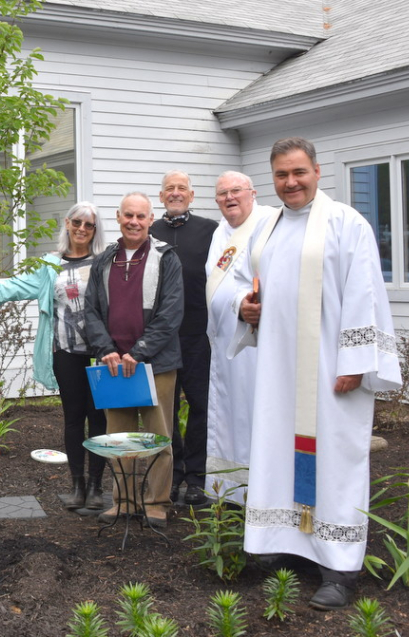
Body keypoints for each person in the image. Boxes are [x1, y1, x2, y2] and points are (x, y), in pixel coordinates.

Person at [237, 137, 401, 610]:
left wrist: (355, 361)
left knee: (334, 459)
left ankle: (339, 568)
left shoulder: (346, 223)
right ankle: (289, 546)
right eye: (282, 175)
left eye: (298, 173)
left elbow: (364, 292)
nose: (290, 183)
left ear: (317, 171)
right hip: (278, 371)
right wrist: (245, 309)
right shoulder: (265, 230)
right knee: (280, 453)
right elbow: (251, 290)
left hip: (331, 373)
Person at [0, 202, 109, 511]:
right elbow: (6, 289)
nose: (82, 228)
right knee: (74, 419)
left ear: (95, 230)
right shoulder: (49, 267)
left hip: (101, 356)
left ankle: (96, 487)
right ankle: (77, 486)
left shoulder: (104, 263)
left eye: (89, 225)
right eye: (77, 222)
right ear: (67, 223)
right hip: (66, 353)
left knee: (99, 419)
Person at [84, 192, 184, 528]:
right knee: (120, 440)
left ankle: (156, 503)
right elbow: (91, 311)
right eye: (129, 215)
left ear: (150, 220)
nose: (134, 222)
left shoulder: (166, 258)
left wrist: (137, 353)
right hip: (114, 367)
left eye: (141, 216)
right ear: (118, 216)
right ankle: (124, 501)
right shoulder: (103, 260)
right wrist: (107, 350)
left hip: (155, 365)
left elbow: (171, 314)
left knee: (158, 438)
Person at [148, 170, 218, 507]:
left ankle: (196, 478)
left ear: (191, 196)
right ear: (161, 197)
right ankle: (172, 474)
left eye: (182, 189)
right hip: (162, 338)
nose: (175, 193)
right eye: (169, 189)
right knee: (166, 410)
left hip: (199, 336)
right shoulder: (150, 232)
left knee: (203, 408)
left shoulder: (210, 231)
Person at [203, 171, 273, 504]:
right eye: (222, 194)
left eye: (236, 191)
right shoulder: (220, 232)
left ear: (253, 193)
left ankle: (262, 492)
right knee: (231, 417)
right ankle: (231, 492)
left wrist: (244, 303)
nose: (229, 198)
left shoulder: (271, 224)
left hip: (259, 342)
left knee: (257, 417)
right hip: (225, 345)